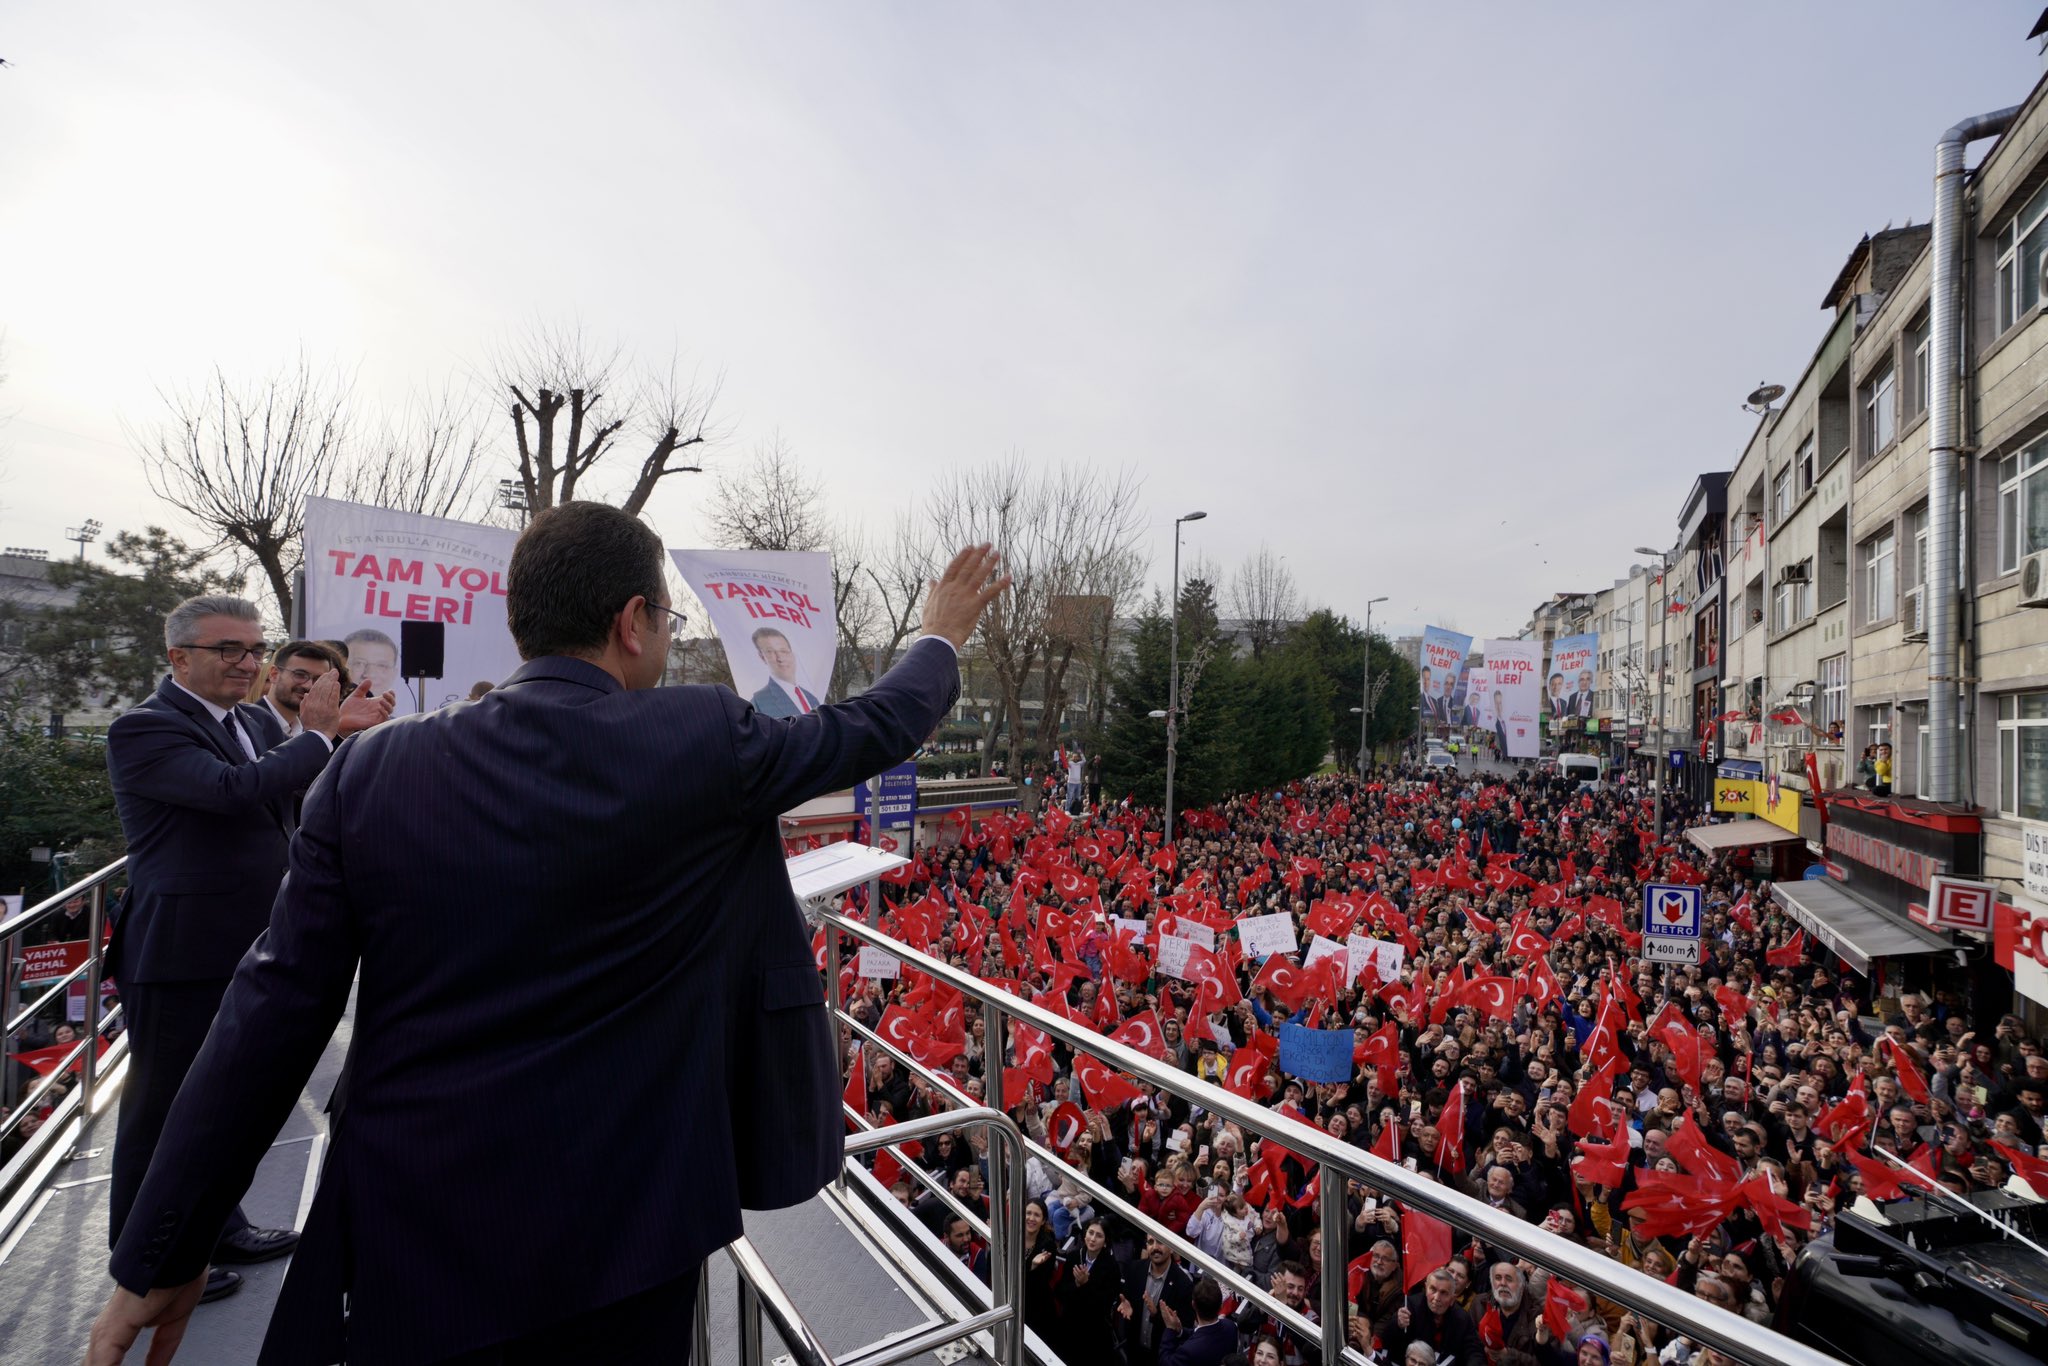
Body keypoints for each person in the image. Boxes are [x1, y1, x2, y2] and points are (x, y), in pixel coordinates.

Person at [86, 509, 1005, 1365]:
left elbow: (269, 1015)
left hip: (415, 1220)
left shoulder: (368, 771)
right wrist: (941, 632)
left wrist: (166, 1245)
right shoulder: (699, 737)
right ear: (633, 620)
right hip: (631, 1230)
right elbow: (875, 725)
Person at [102, 595, 392, 1310]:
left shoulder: (243, 722)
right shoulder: (145, 728)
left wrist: (335, 737)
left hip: (241, 943)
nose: (244, 662)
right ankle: (146, 1261)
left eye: (251, 648)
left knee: (218, 1103)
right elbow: (234, 792)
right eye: (226, 649)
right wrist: (320, 737)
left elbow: (281, 799)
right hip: (178, 955)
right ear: (178, 658)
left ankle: (214, 1229)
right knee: (161, 1111)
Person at [259, 640, 346, 742]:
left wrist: (344, 730)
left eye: (318, 679)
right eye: (300, 675)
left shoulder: (306, 728)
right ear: (274, 675)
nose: (308, 685)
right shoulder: (249, 724)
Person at [1157, 1276, 1236, 1366]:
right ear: (1221, 1305)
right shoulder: (1231, 1327)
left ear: (1193, 1304)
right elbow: (1203, 1334)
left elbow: (1165, 1362)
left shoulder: (1188, 1351)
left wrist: (1170, 1329)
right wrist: (1180, 1331)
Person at [748, 625, 822, 717]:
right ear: (762, 657)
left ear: (792, 653)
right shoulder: (759, 702)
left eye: (783, 651)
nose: (780, 658)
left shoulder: (811, 698)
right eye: (770, 652)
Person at [344, 627, 416, 716]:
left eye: (382, 666)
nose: (371, 674)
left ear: (393, 674)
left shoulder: (402, 727)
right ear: (342, 669)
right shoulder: (326, 723)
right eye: (359, 663)